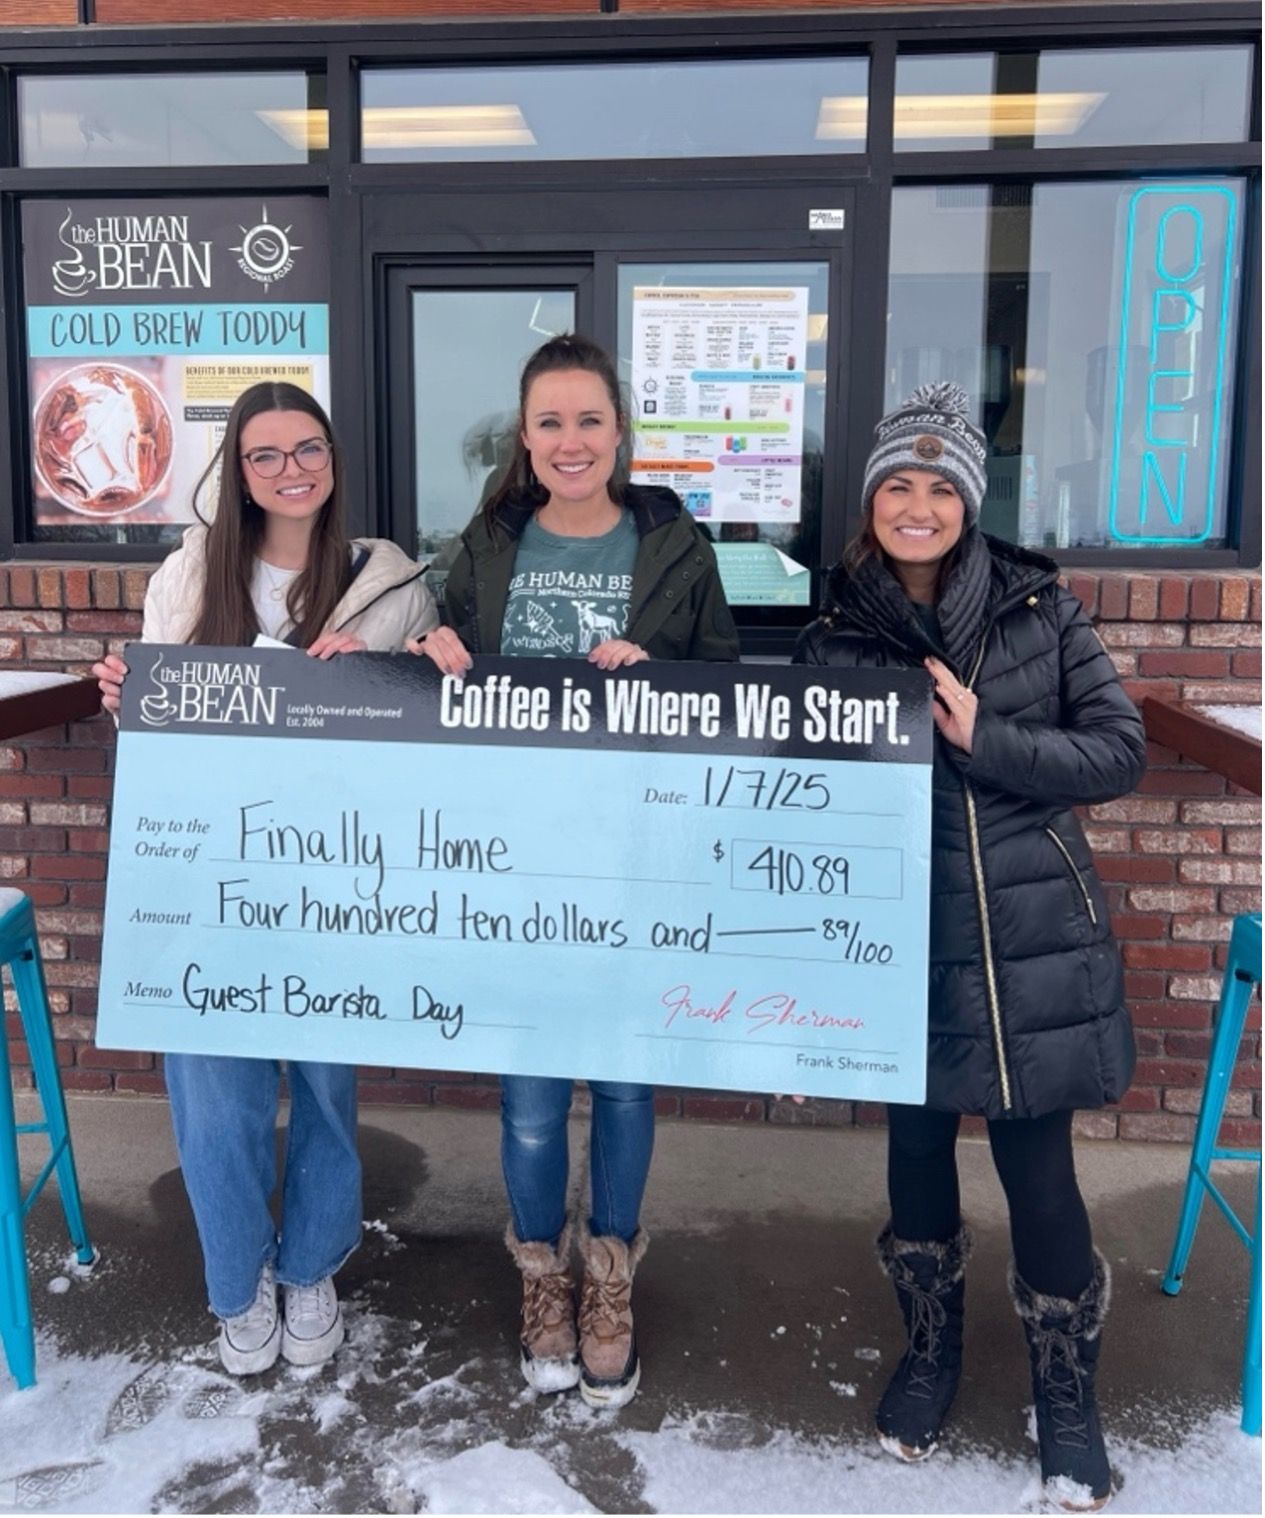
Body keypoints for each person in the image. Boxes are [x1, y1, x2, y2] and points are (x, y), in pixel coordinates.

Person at [794, 383, 1145, 1511]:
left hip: (1028, 940)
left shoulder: (1040, 612)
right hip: (899, 944)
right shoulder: (833, 631)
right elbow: (798, 790)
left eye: (937, 488)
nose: (914, 505)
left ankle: (1064, 1383)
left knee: (1037, 1172)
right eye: (895, 484)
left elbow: (1114, 753)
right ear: (868, 502)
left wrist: (984, 738)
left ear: (967, 505)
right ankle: (930, 1349)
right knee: (914, 1158)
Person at [412, 333, 738, 1408]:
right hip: (518, 866)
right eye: (547, 422)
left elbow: (725, 698)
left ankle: (609, 1280)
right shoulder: (486, 548)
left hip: (636, 865)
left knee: (629, 1085)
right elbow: (438, 693)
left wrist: (665, 679)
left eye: (587, 420)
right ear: (524, 436)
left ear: (617, 432)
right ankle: (541, 1282)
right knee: (531, 1100)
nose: (568, 441)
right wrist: (438, 656)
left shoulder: (677, 552)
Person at [92, 381, 439, 1375]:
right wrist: (129, 699)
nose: (291, 470)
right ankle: (236, 1281)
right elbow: (159, 732)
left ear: (333, 458)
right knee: (214, 1094)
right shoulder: (189, 576)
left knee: (326, 1090)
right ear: (236, 472)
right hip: (209, 875)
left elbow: (422, 736)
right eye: (266, 455)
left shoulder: (388, 584)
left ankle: (311, 1264)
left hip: (335, 877)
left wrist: (416, 670)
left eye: (308, 449)